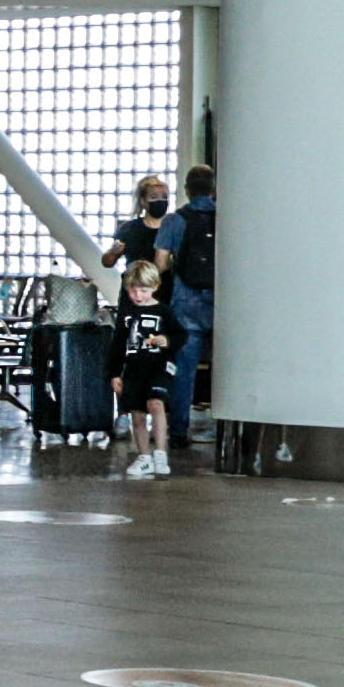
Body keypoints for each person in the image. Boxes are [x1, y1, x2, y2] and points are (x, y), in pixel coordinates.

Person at [113, 256, 182, 479]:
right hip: (133, 369)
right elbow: (117, 343)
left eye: (143, 290)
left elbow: (181, 335)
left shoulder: (164, 312)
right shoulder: (126, 314)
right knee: (137, 413)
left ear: (155, 287)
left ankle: (160, 452)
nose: (138, 296)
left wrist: (167, 341)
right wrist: (114, 373)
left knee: (156, 404)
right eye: (133, 291)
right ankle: (144, 456)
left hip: (158, 367)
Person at [161, 166, 217, 440]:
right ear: (213, 188)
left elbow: (160, 263)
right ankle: (222, 426)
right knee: (225, 367)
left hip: (185, 302)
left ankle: (179, 430)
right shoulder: (227, 218)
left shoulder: (175, 221)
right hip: (221, 302)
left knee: (184, 370)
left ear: (187, 189)